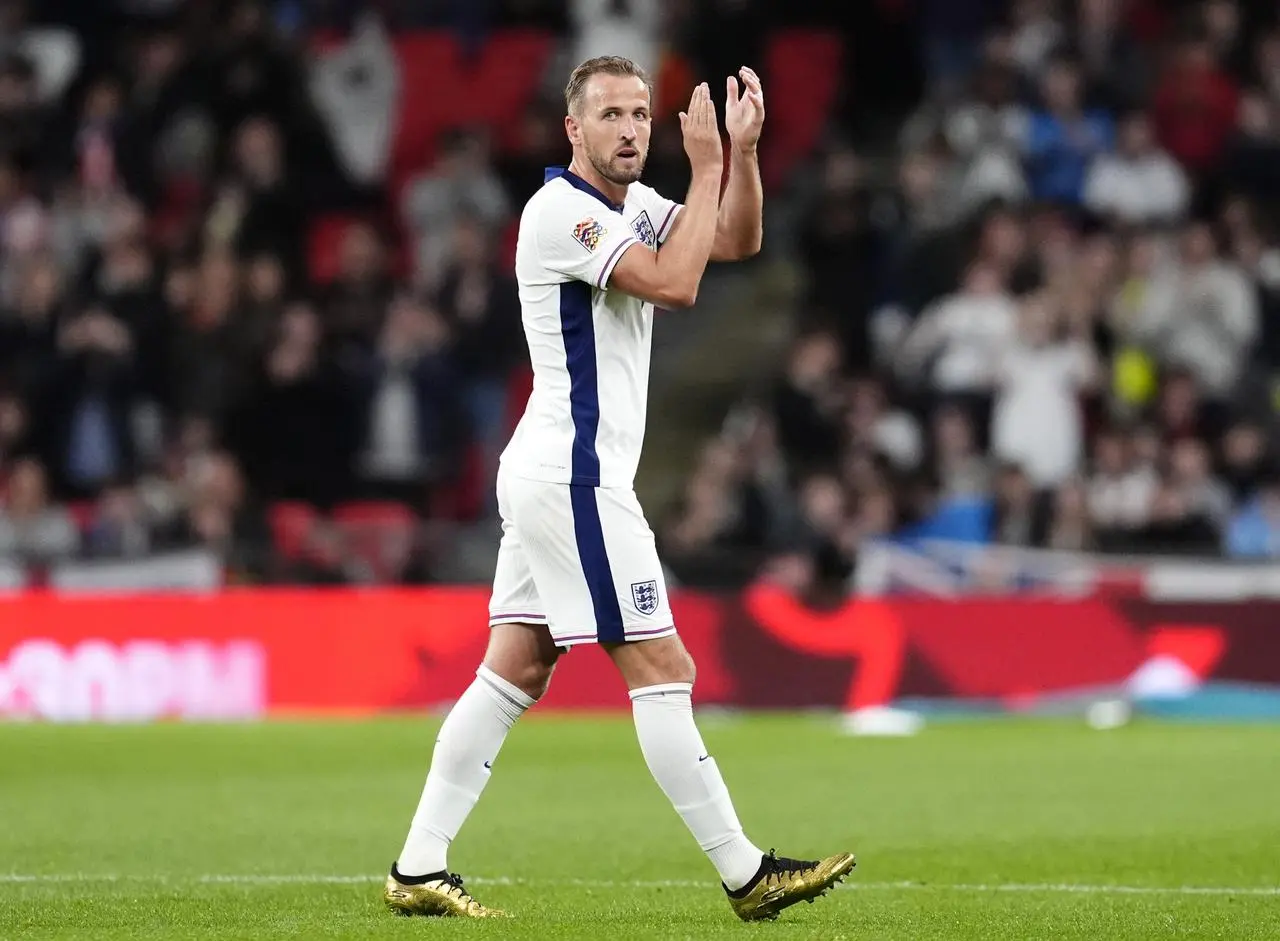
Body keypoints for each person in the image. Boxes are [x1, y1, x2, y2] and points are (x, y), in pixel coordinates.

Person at [383, 56, 855, 922]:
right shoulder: (559, 213)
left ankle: (417, 866)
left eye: (641, 113)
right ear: (575, 129)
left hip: (551, 469)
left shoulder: (632, 205)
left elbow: (737, 243)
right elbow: (677, 284)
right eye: (612, 115)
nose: (632, 128)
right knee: (663, 665)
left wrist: (740, 156)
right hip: (575, 477)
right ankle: (749, 876)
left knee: (516, 667)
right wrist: (706, 167)